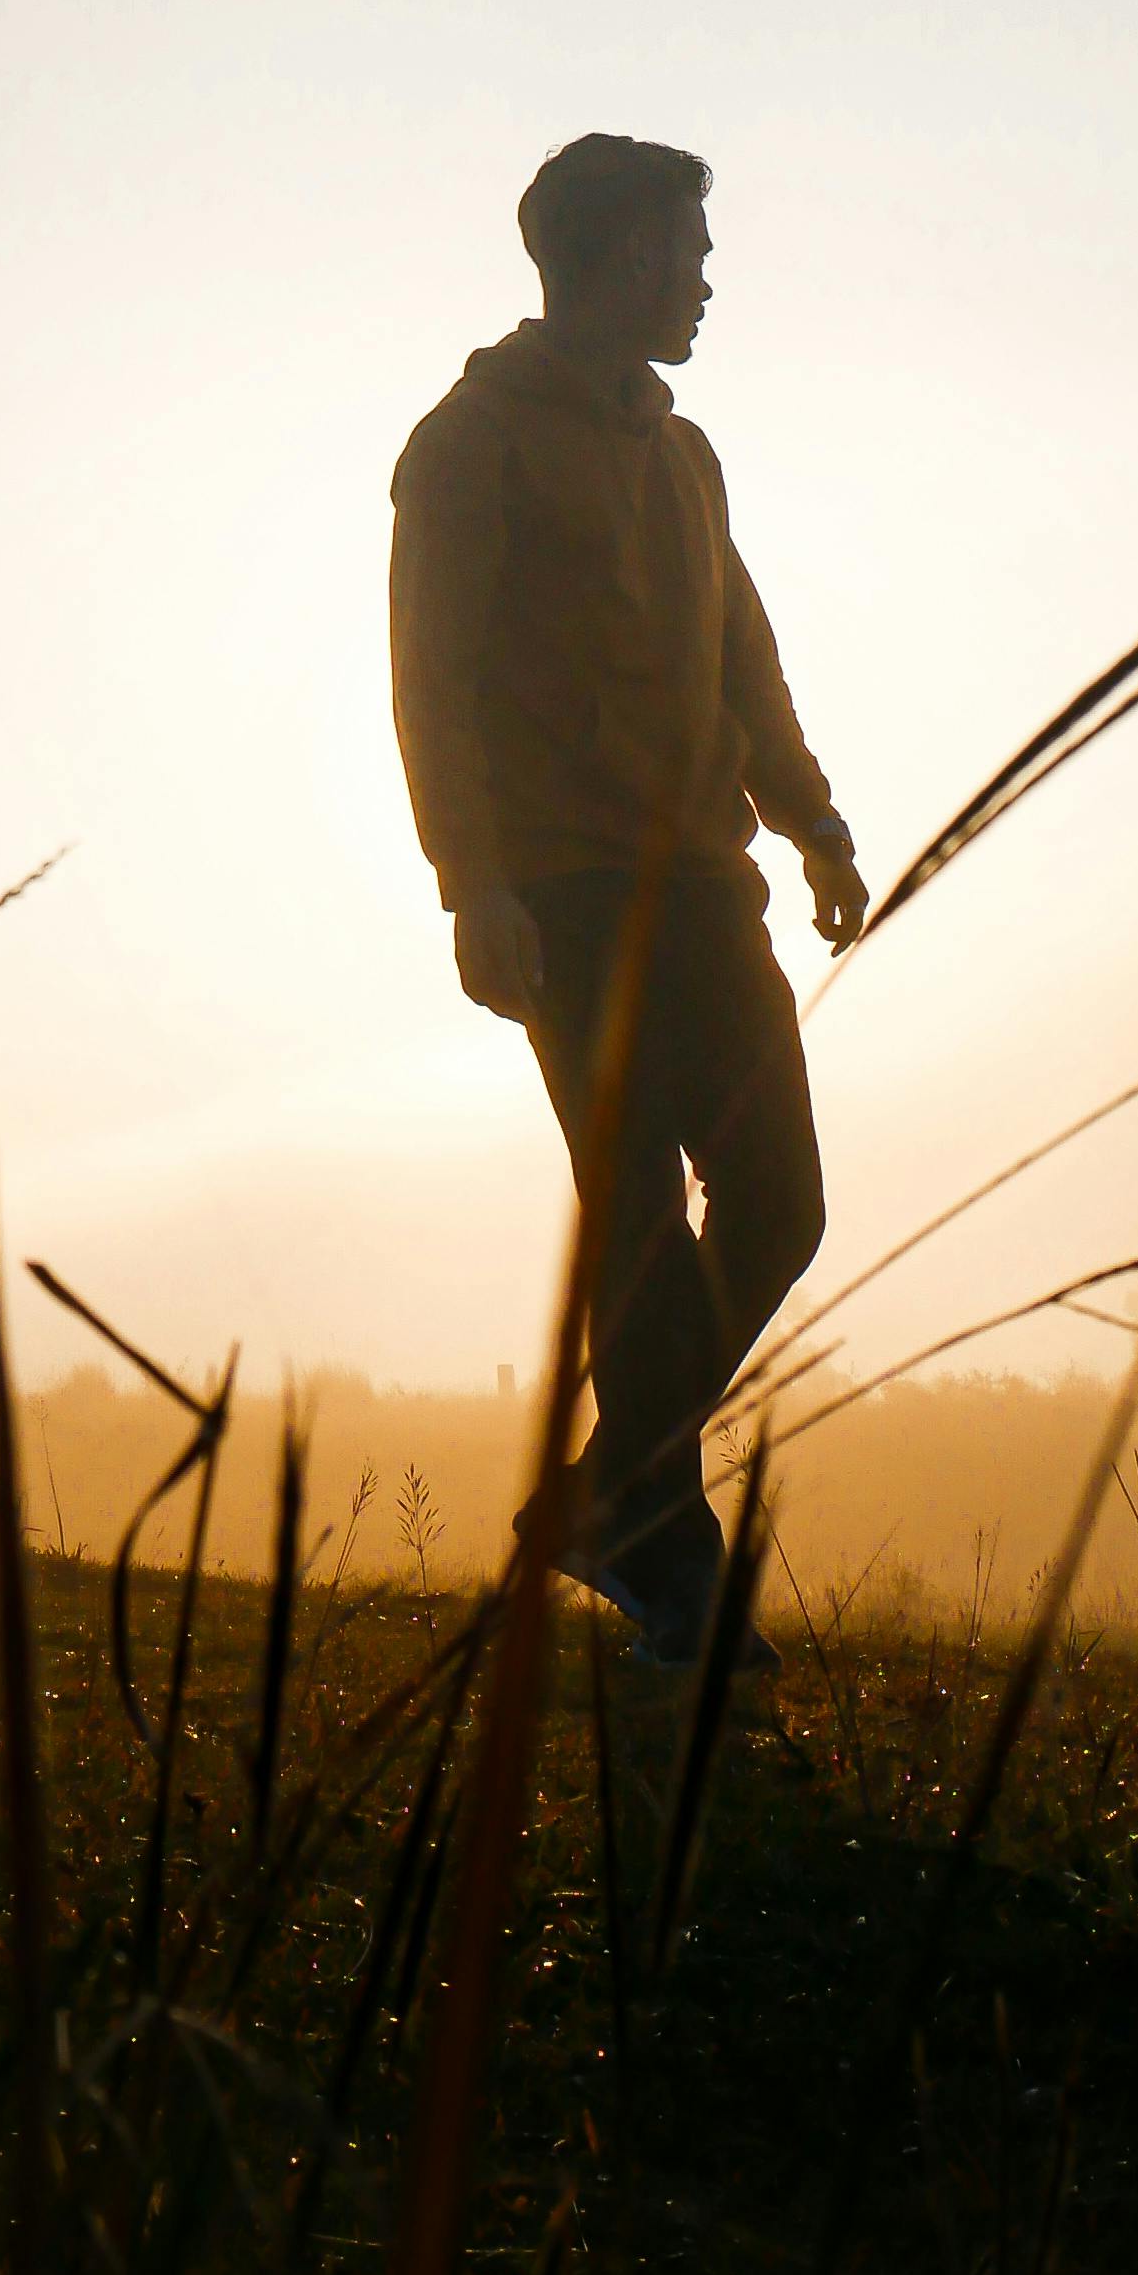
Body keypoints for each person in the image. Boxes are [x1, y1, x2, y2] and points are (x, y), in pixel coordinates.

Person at [388, 135, 865, 1665]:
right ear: (609, 260)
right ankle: (670, 1578)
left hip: (708, 888)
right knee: (642, 1226)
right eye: (687, 248)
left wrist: (811, 821)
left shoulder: (685, 453)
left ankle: (609, 1504)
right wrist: (474, 884)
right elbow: (431, 686)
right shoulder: (467, 447)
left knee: (780, 1202)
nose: (709, 277)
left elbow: (745, 652)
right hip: (570, 900)